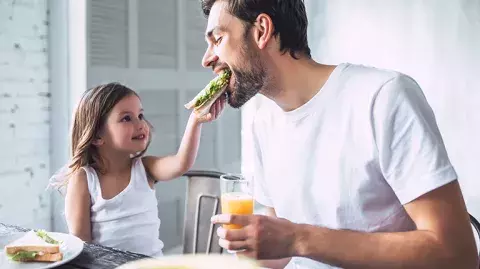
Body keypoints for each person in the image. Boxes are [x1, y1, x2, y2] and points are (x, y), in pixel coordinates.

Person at [200, 0, 478, 268]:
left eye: (218, 39)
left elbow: (457, 254)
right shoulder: (262, 122)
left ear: (261, 30)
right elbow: (282, 253)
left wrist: (299, 238)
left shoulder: (383, 98)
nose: (206, 59)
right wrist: (252, 242)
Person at [49, 82, 225, 257]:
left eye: (140, 115)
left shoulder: (145, 168)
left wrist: (195, 121)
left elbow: (181, 163)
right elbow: (82, 245)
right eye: (126, 118)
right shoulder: (84, 179)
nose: (140, 124)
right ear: (96, 136)